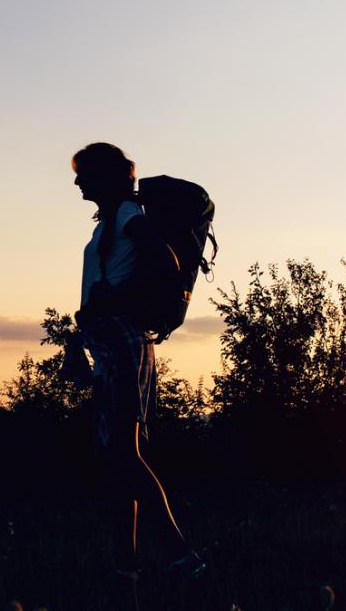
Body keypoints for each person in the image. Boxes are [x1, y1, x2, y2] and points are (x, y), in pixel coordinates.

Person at [60, 143, 207, 581]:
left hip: (123, 343)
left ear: (106, 175)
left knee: (124, 452)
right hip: (111, 344)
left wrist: (116, 298)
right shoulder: (112, 221)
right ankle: (125, 563)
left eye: (83, 173)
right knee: (116, 457)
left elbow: (167, 262)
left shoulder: (126, 215)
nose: (77, 182)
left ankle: (182, 555)